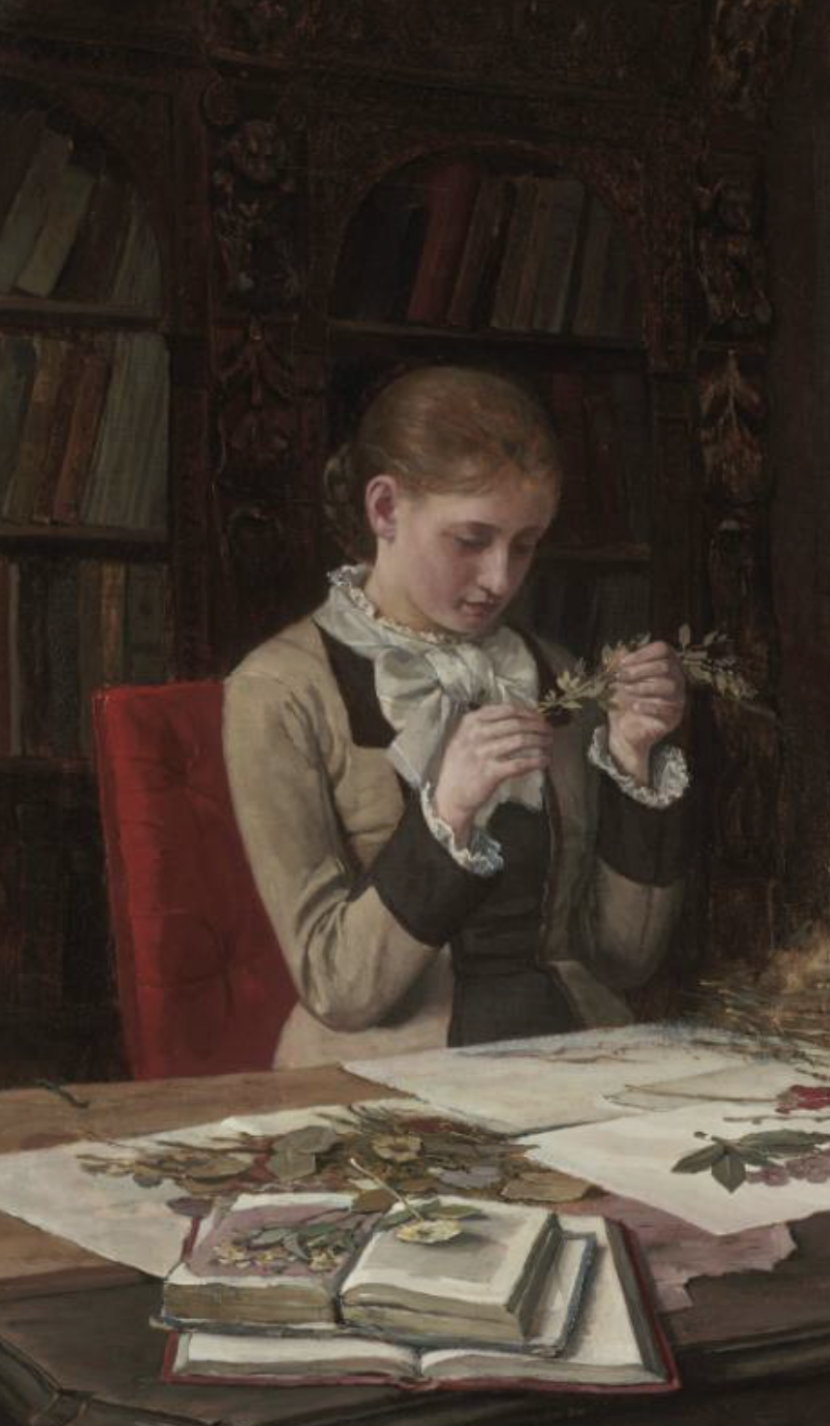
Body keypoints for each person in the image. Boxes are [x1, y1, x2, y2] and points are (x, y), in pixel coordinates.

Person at [223, 365, 691, 1068]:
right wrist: (446, 813)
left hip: (576, 1059)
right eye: (471, 540)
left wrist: (631, 763)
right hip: (381, 1078)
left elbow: (624, 961)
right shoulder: (282, 690)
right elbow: (337, 987)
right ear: (384, 510)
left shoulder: (561, 675)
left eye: (525, 544)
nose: (501, 578)